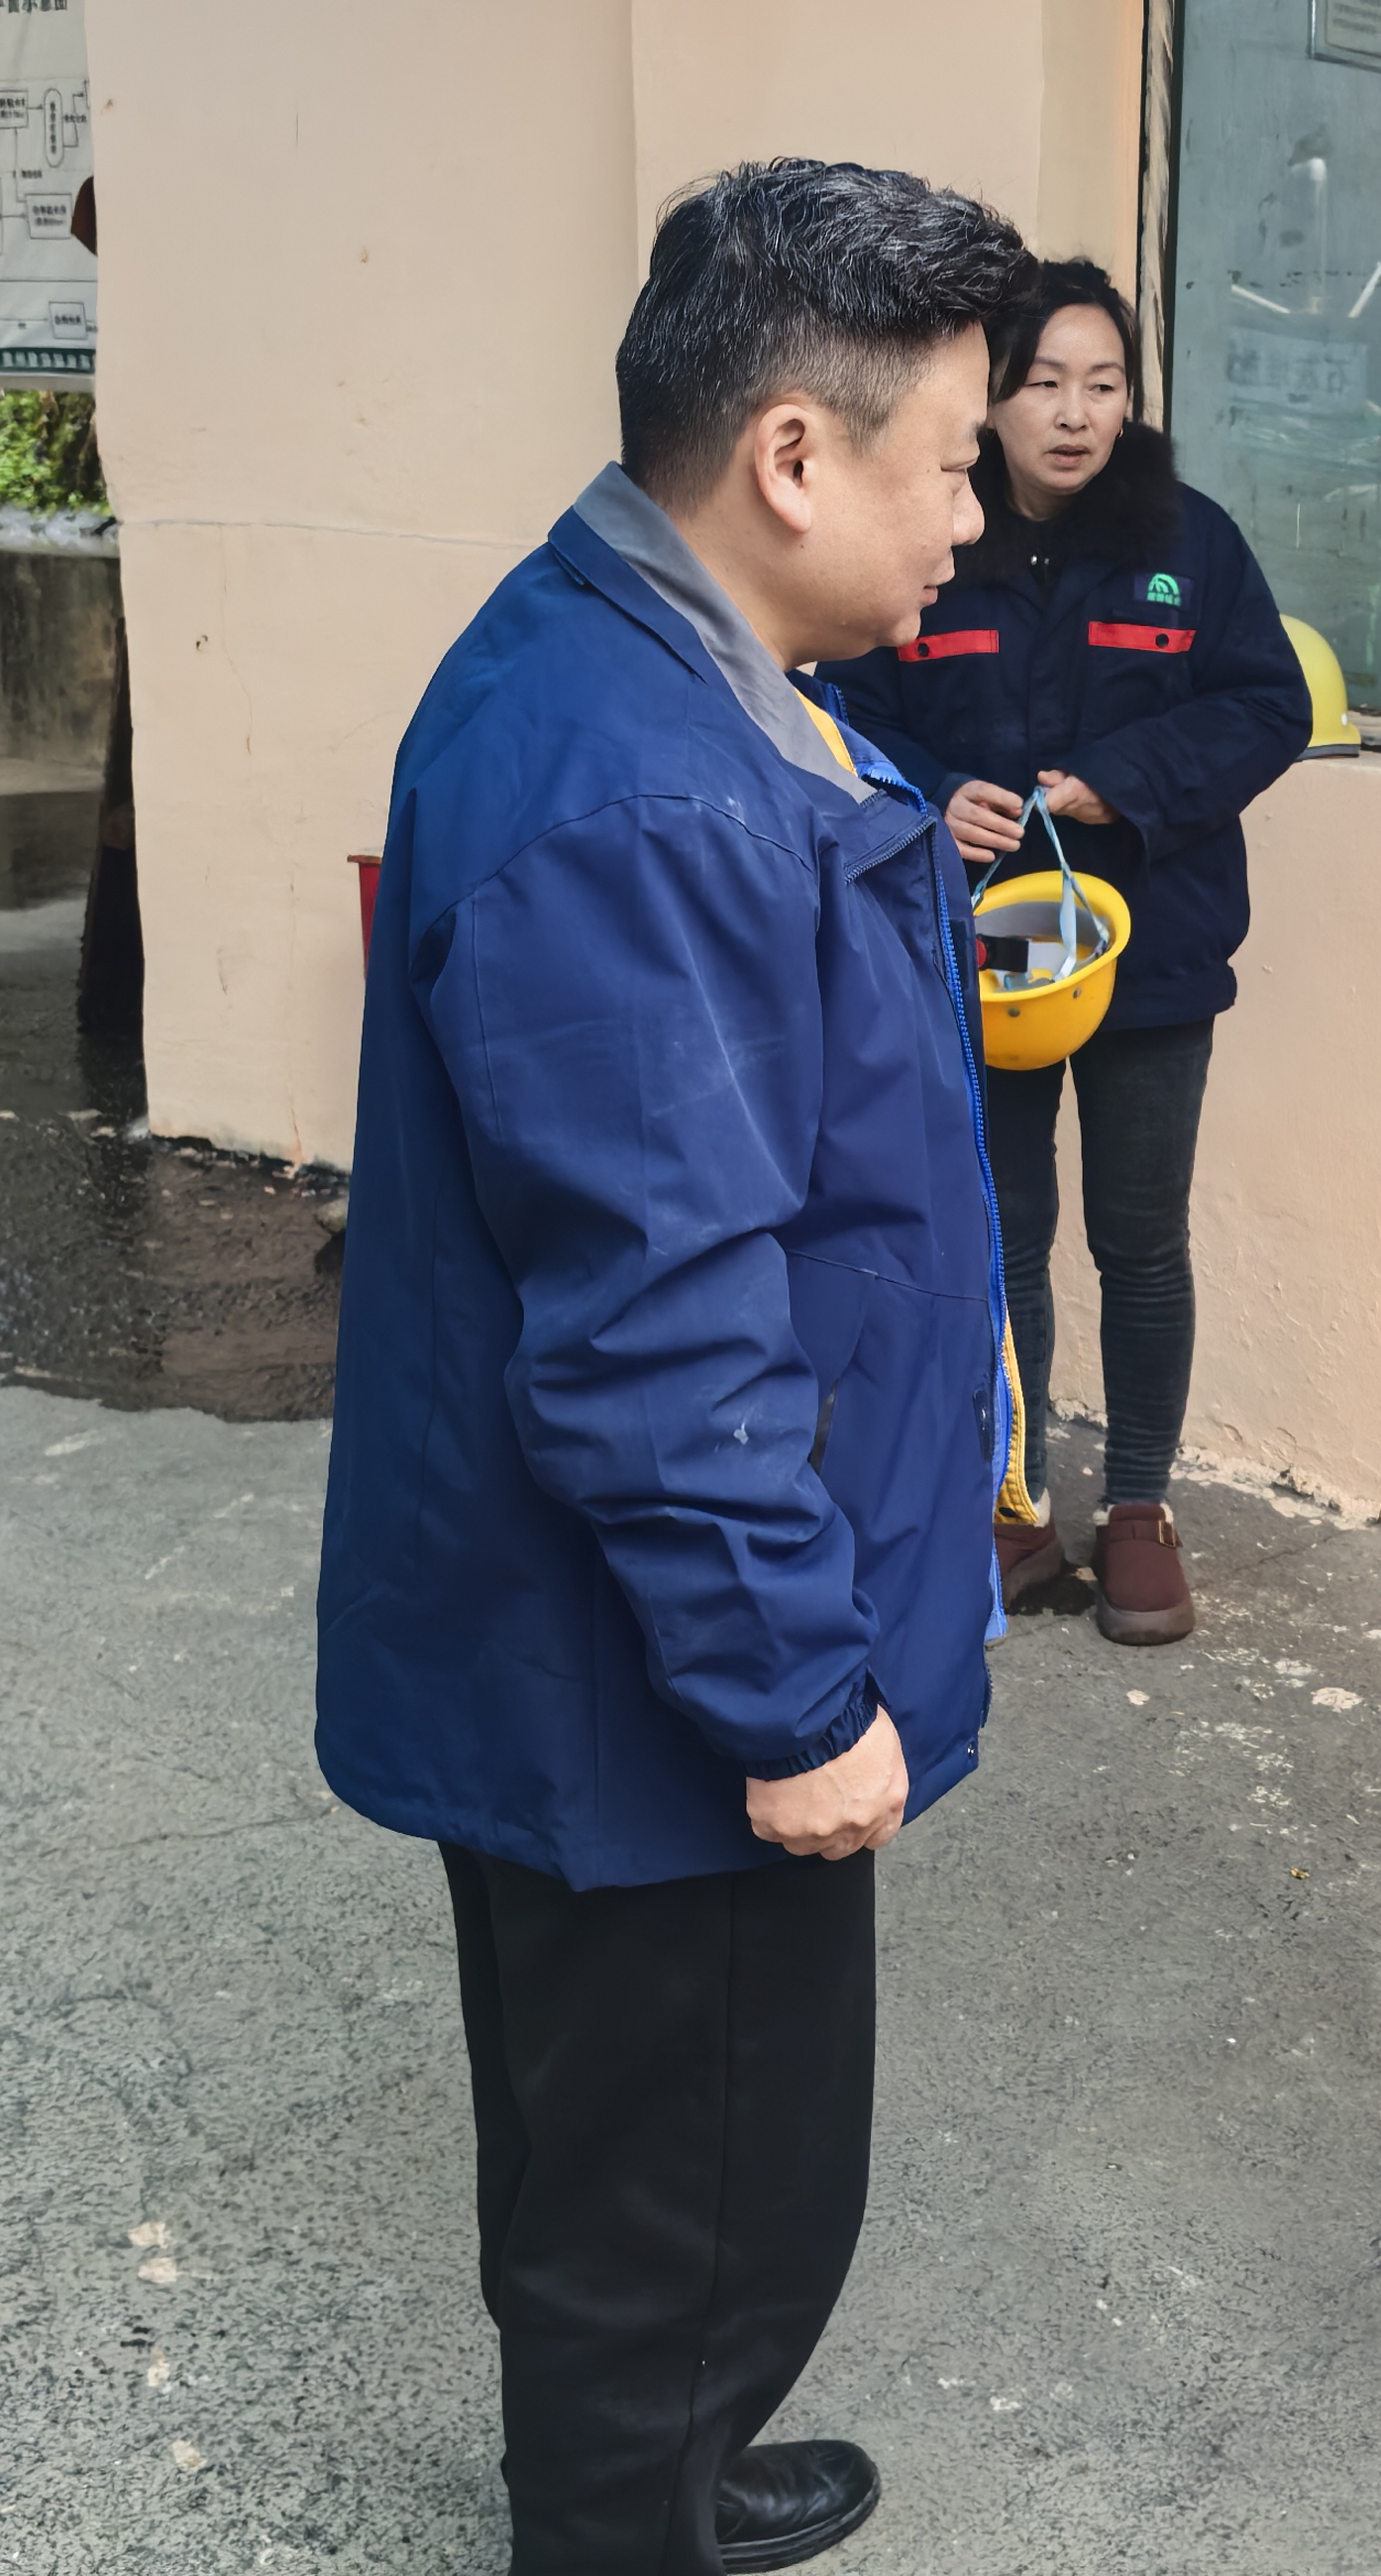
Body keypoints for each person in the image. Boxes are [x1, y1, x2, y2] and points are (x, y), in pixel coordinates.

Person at [317, 159, 1034, 2575]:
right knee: (684, 2203)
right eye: (953, 461)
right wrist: (792, 1695)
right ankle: (633, 2505)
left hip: (631, 1648)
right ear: (792, 457)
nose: (974, 516)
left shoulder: (678, 678)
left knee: (647, 2165)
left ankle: (667, 2476)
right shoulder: (633, 785)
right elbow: (656, 1326)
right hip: (656, 1686)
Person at [822, 258, 1310, 1647]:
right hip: (985, 959)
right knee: (1005, 1235)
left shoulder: (1191, 544)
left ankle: (1139, 1505)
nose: (1076, 413)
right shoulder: (929, 530)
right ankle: (1014, 1504)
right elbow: (840, 701)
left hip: (1149, 959)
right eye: (1044, 383)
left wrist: (1122, 780)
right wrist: (930, 793)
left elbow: (1266, 707)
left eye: (1103, 384)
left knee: (1140, 1240)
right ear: (992, 395)